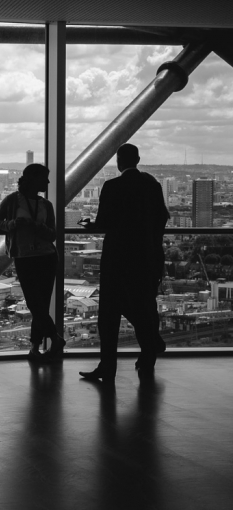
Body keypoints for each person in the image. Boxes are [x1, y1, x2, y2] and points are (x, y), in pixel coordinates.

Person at [79, 143, 169, 383]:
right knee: (143, 304)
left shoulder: (112, 186)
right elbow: (162, 218)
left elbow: (105, 223)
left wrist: (90, 226)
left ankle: (108, 367)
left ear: (119, 161)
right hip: (146, 256)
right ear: (138, 159)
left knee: (109, 314)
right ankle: (148, 353)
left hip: (117, 257)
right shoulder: (152, 186)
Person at [0, 163, 65, 362]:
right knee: (36, 304)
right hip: (26, 257)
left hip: (46, 256)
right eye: (44, 178)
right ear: (33, 179)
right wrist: (13, 224)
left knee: (39, 304)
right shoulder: (12, 201)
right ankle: (55, 338)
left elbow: (52, 235)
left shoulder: (46, 205)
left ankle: (35, 348)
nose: (48, 182)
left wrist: (35, 226)